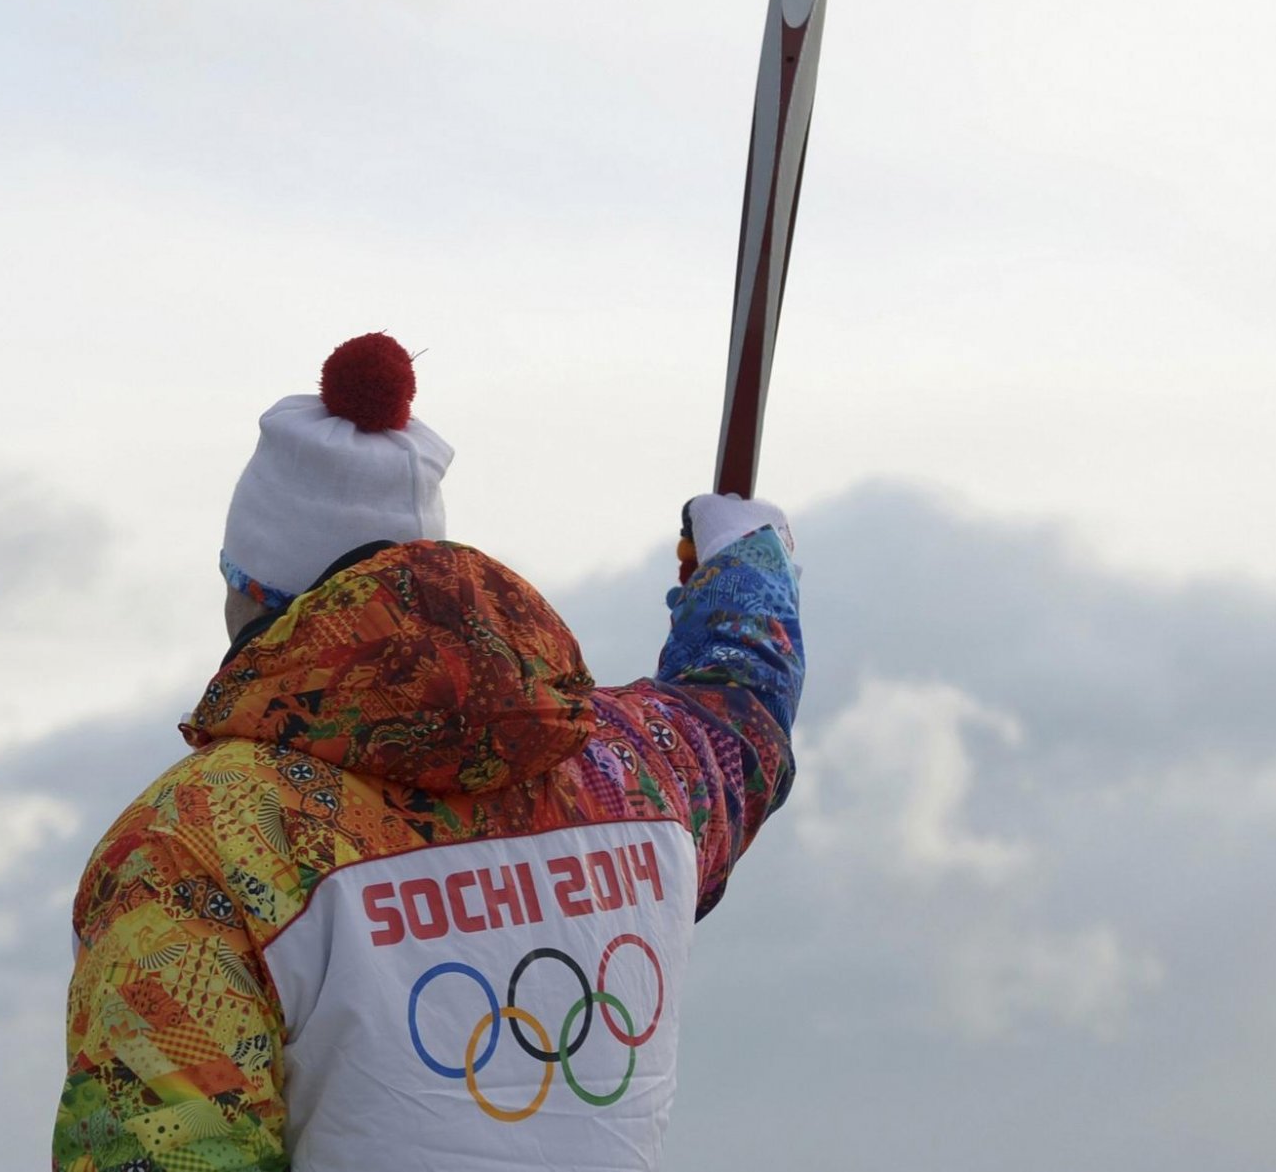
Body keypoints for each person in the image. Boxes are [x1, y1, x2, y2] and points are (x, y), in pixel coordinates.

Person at [53, 333, 802, 1171]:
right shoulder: (635, 774)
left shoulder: (197, 845)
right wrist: (746, 559)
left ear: (250, 591)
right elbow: (739, 709)